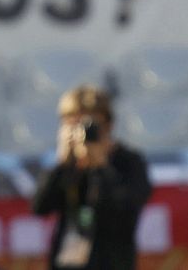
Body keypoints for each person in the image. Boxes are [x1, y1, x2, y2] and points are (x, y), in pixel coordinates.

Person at [32, 84, 152, 270]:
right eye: (72, 123)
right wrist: (62, 162)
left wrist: (100, 165)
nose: (80, 132)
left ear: (108, 126)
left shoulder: (129, 162)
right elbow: (40, 207)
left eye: (87, 125)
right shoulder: (67, 166)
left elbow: (127, 207)